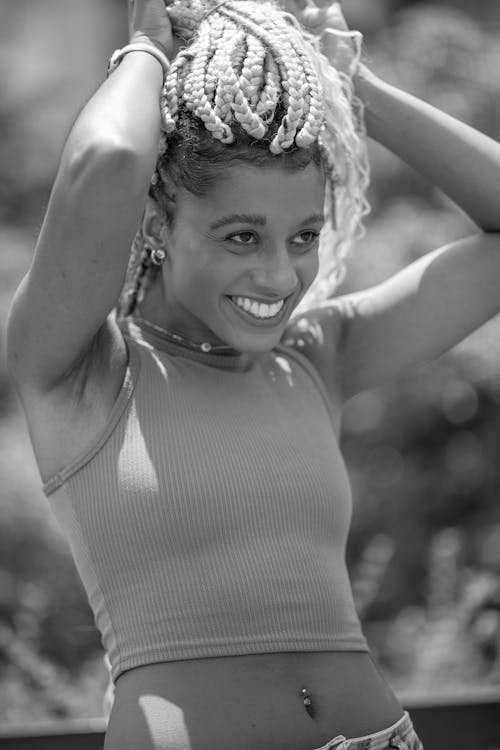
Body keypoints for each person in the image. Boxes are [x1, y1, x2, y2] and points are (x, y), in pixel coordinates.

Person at [6, 0, 500, 747]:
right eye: (241, 236)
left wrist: (353, 83)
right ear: (156, 224)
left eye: (304, 236)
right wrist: (145, 46)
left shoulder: (314, 355)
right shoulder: (81, 370)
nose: (280, 276)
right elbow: (108, 158)